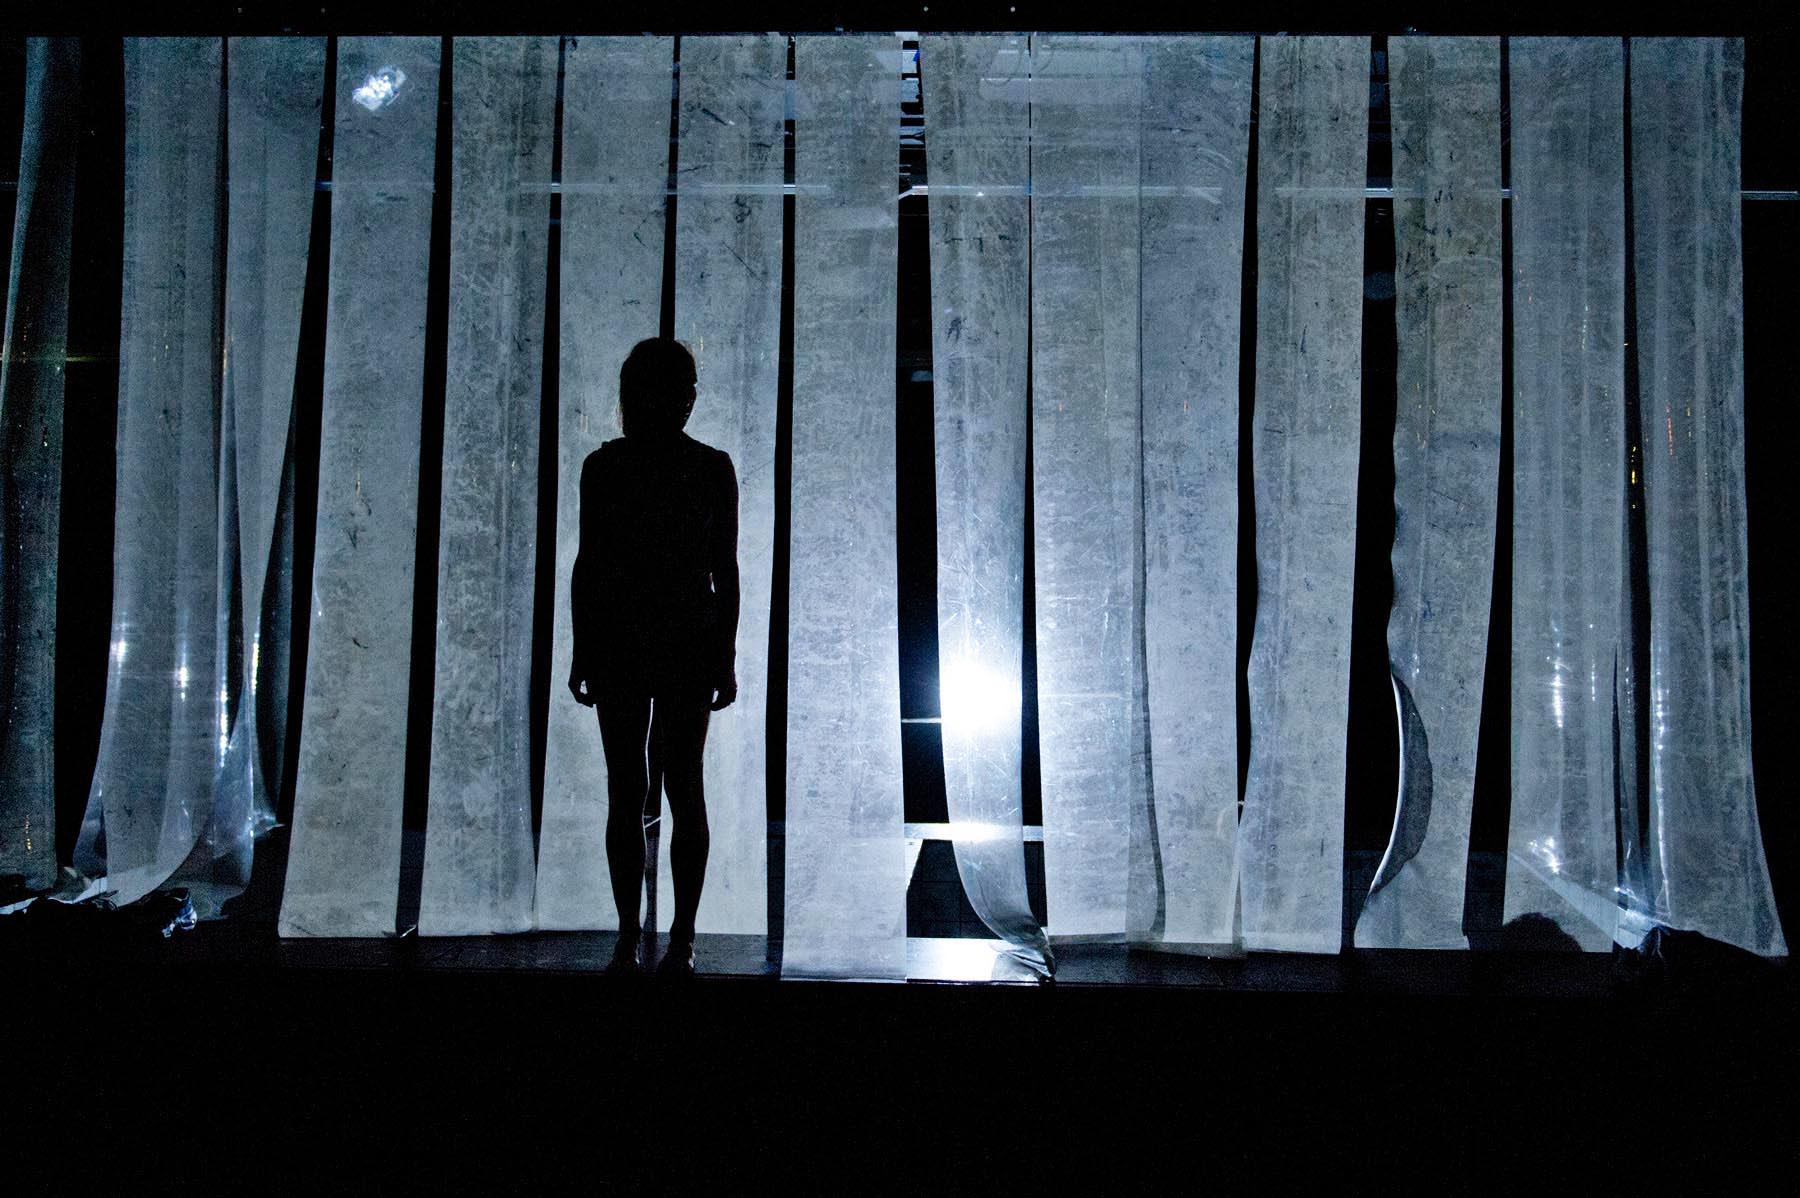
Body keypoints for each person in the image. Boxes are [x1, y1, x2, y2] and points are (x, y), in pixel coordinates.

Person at [566, 337, 739, 978]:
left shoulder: (609, 467)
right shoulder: (705, 467)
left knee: (636, 789)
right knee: (674, 787)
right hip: (673, 637)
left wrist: (583, 646)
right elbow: (724, 572)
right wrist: (723, 653)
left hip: (632, 638)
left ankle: (639, 936)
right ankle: (669, 937)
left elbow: (591, 565)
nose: (682, 401)